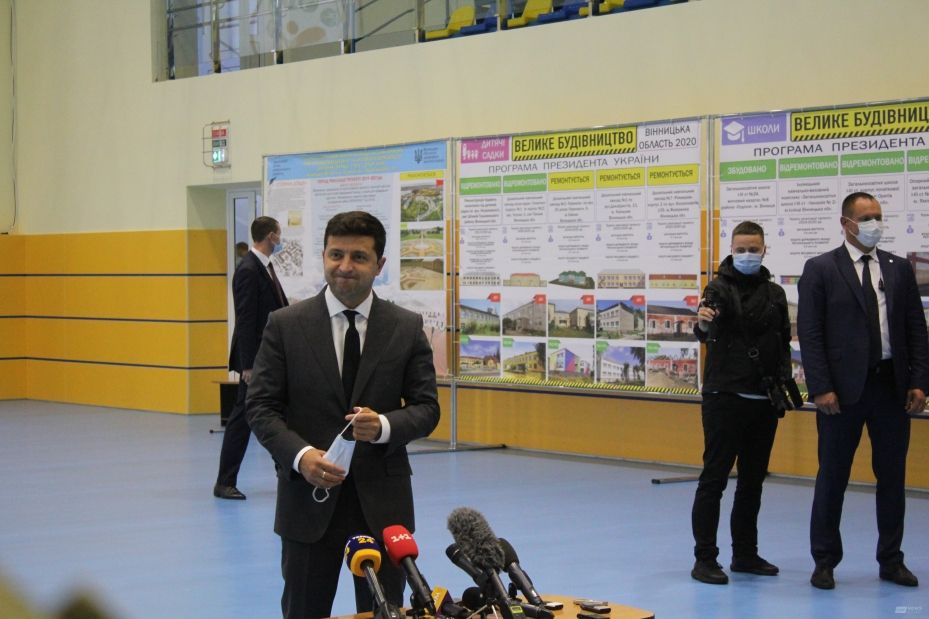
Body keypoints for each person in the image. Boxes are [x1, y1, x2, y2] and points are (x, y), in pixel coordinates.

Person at [245, 210, 440, 619]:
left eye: (359, 257)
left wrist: (383, 425)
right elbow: (261, 407)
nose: (345, 266)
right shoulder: (285, 325)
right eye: (336, 255)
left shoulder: (405, 327)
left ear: (379, 265)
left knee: (384, 614)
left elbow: (427, 408)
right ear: (324, 256)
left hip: (382, 508)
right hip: (307, 503)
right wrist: (301, 457)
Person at [798, 191, 928, 590]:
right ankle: (824, 561)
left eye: (878, 216)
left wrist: (919, 381)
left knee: (892, 478)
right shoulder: (821, 268)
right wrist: (821, 387)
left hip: (891, 387)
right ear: (846, 223)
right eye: (866, 218)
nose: (875, 224)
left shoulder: (898, 268)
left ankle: (891, 559)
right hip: (840, 393)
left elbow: (916, 329)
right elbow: (810, 334)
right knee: (832, 477)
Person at [690, 221, 791, 585]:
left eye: (754, 249)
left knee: (752, 481)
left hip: (763, 400)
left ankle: (745, 554)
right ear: (731, 250)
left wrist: (782, 385)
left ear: (764, 250)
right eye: (741, 249)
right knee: (714, 479)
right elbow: (705, 327)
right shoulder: (718, 288)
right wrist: (703, 322)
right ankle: (705, 558)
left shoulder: (776, 293)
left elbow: (783, 341)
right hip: (725, 397)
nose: (748, 254)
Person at [214, 216, 288, 500]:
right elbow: (245, 320)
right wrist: (248, 365)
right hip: (256, 361)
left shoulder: (264, 266)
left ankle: (287, 471)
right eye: (279, 234)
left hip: (268, 357)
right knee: (242, 419)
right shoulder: (248, 269)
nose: (280, 239)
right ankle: (225, 482)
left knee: (275, 413)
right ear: (271, 236)